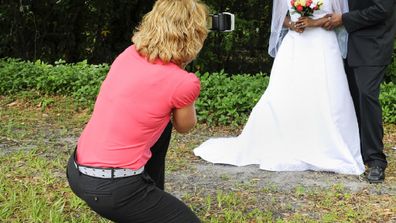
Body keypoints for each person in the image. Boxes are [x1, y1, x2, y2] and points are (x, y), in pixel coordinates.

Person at [66, 0, 209, 222]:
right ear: (194, 35)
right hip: (113, 188)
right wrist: (184, 87)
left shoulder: (128, 54)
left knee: (161, 126)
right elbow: (185, 126)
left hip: (77, 172)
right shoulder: (183, 82)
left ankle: (150, 196)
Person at [194, 0, 366, 175]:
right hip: (296, 43)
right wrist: (291, 24)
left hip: (323, 44)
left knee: (326, 94)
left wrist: (314, 22)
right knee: (286, 94)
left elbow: (339, 18)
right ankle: (285, 140)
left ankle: (327, 145)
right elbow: (279, 18)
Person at [322, 0, 396, 183]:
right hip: (341, 44)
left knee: (366, 95)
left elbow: (382, 9)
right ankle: (356, 151)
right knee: (350, 97)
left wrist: (345, 19)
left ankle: (376, 160)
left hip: (372, 45)